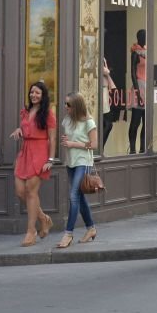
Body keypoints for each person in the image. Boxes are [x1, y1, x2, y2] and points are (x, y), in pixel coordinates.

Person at [10, 82, 57, 247]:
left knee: (31, 192)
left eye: (37, 93)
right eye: (31, 92)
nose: (33, 95)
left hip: (39, 153)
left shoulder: (48, 114)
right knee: (20, 192)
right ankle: (44, 219)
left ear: (43, 95)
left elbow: (52, 138)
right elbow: (26, 128)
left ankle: (31, 232)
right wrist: (19, 130)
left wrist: (50, 160)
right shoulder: (26, 111)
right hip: (25, 152)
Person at [57, 92, 98, 248]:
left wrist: (74, 144)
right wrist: (67, 141)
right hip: (71, 161)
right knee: (79, 197)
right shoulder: (67, 119)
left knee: (74, 196)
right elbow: (69, 137)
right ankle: (91, 228)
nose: (65, 107)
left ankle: (68, 234)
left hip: (83, 161)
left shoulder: (89, 122)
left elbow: (94, 145)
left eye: (68, 104)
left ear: (77, 106)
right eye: (65, 104)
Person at [129, 30, 148, 154]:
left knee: (146, 122)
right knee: (135, 121)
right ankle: (132, 150)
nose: (145, 38)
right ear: (139, 37)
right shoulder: (135, 53)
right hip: (139, 85)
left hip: (147, 87)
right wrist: (137, 93)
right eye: (143, 36)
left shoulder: (147, 52)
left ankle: (142, 148)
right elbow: (133, 74)